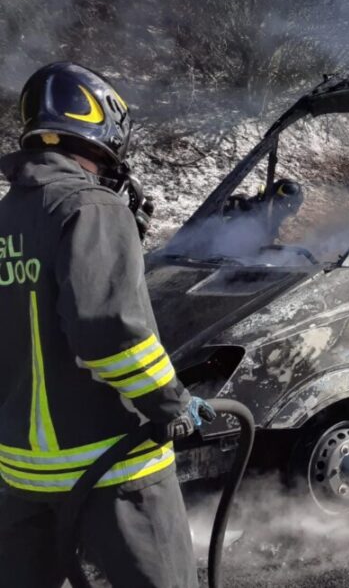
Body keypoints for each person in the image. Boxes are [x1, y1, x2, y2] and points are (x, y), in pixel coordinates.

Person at [0, 61, 212, 587]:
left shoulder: (6, 220)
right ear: (103, 132)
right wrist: (172, 402)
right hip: (115, 470)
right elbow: (109, 333)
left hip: (20, 477)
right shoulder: (90, 207)